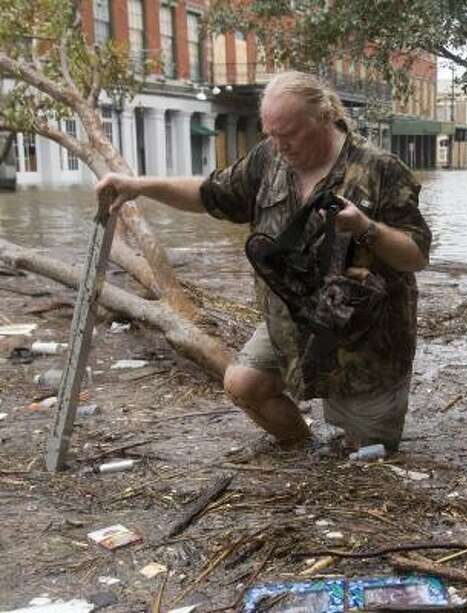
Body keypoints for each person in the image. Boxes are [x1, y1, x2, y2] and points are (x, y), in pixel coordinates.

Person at [96, 71, 431, 454]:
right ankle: (302, 445)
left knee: (367, 454)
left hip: (365, 344)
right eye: (270, 133)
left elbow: (416, 255)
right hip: (291, 323)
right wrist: (139, 186)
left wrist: (365, 227)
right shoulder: (268, 159)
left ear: (324, 117)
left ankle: (355, 435)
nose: (278, 144)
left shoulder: (380, 170)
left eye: (288, 134)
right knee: (243, 384)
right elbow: (209, 194)